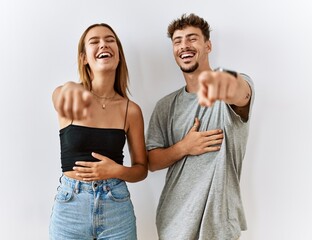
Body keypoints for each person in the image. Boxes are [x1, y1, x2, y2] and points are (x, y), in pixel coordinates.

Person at [146, 13, 254, 240]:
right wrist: (184, 147)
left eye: (192, 38)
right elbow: (152, 162)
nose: (184, 45)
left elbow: (240, 92)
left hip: (219, 226)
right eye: (177, 41)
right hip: (173, 225)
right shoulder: (165, 106)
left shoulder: (229, 91)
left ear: (208, 45)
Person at [49, 23, 148, 240]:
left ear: (119, 55)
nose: (103, 44)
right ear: (84, 58)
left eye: (110, 40)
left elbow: (141, 169)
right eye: (95, 41)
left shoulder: (130, 110)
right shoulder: (68, 94)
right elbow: (58, 97)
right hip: (71, 207)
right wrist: (68, 86)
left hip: (116, 207)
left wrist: (115, 170)